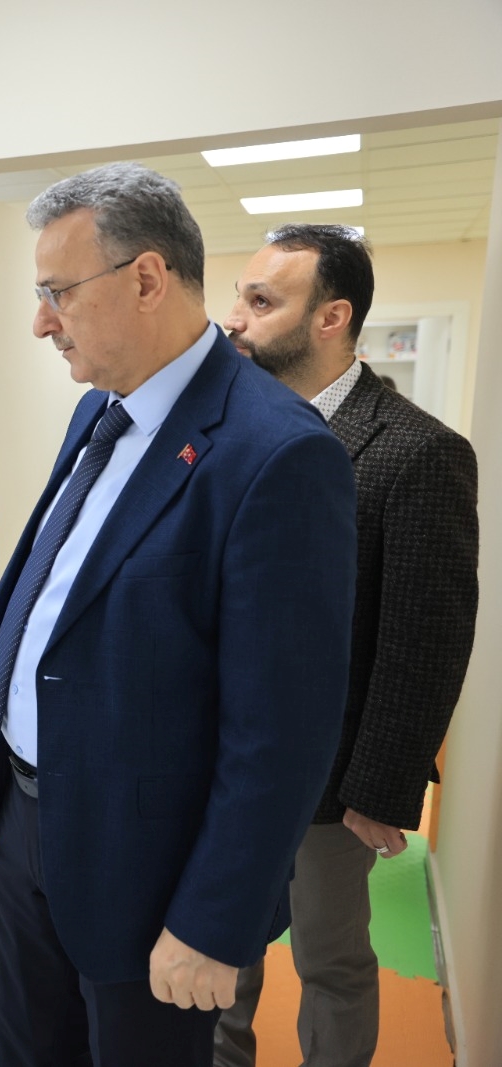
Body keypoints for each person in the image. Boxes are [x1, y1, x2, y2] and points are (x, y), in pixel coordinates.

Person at [0, 163, 358, 1067]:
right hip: (27, 824)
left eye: (57, 292)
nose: (41, 322)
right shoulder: (97, 411)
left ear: (146, 278)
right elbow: (69, 585)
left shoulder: (277, 454)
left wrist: (214, 921)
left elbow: (283, 731)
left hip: (147, 864)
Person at [215, 224, 479, 1067]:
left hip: (330, 780)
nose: (234, 319)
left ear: (331, 317)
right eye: (240, 296)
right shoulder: (228, 430)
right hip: (225, 755)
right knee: (219, 937)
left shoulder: (418, 451)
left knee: (329, 959)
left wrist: (382, 787)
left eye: (261, 301)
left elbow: (426, 637)